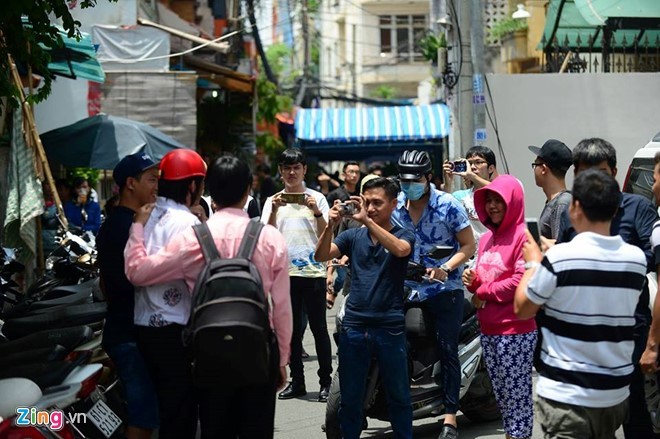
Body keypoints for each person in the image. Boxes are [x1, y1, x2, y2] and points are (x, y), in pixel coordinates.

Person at [124, 154, 292, 439]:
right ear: (248, 189)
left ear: (209, 190)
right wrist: (281, 359)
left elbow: (138, 273)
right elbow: (282, 307)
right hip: (259, 347)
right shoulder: (269, 237)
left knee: (215, 428)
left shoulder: (194, 236)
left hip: (209, 350)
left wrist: (138, 227)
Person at [514, 169, 647, 438]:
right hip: (615, 395)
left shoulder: (560, 258)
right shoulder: (636, 260)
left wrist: (532, 262)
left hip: (568, 397)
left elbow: (523, 308)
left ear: (575, 207)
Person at [555, 138, 659, 439]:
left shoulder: (637, 208)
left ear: (613, 172)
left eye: (600, 172)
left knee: (633, 408)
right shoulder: (572, 214)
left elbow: (650, 258)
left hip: (628, 330)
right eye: (586, 173)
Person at [314, 176, 415, 439]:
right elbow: (321, 255)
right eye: (366, 202)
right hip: (355, 326)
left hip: (389, 326)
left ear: (394, 204)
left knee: (399, 397)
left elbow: (401, 250)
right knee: (350, 398)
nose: (369, 208)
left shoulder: (404, 232)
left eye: (377, 203)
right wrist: (329, 225)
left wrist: (367, 222)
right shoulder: (352, 236)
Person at [392, 150, 475, 439]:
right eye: (403, 181)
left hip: (444, 288)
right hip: (405, 288)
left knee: (446, 347)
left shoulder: (448, 205)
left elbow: (468, 246)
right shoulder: (396, 205)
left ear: (428, 178)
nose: (408, 187)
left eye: (414, 180)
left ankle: (450, 417)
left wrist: (445, 267)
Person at [133, 149, 207, 439]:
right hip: (176, 330)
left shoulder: (144, 216)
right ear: (192, 186)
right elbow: (201, 282)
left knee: (161, 409)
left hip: (143, 326)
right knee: (180, 412)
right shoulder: (186, 222)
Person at [462, 175, 536, 439]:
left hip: (514, 331)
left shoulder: (522, 237)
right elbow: (485, 280)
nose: (492, 206)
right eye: (489, 200)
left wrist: (482, 291)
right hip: (489, 330)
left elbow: (520, 281)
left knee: (518, 402)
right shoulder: (486, 240)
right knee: (504, 401)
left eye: (498, 200)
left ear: (513, 202)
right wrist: (473, 282)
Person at [261, 148, 333, 402]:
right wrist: (273, 211)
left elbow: (328, 234)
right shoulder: (272, 201)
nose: (292, 172)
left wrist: (316, 211)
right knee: (290, 333)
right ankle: (298, 381)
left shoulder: (317, 198)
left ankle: (326, 382)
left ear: (304, 170)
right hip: (284, 274)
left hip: (314, 272)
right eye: (287, 168)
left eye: (296, 168)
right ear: (280, 171)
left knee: (319, 328)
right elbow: (266, 237)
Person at [97, 153, 160, 439]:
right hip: (127, 334)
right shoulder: (122, 227)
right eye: (151, 179)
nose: (156, 185)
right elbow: (128, 281)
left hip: (134, 331)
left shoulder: (133, 221)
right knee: (143, 414)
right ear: (131, 183)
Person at [443, 146, 500, 249]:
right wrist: (448, 183)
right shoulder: (460, 196)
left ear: (491, 168)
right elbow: (444, 211)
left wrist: (472, 176)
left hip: (495, 252)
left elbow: (501, 191)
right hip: (470, 257)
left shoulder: (499, 195)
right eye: (469, 163)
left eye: (478, 162)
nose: (473, 167)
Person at [529, 139, 573, 240]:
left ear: (543, 169)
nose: (534, 169)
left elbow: (559, 246)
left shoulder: (561, 204)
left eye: (535, 165)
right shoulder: (556, 202)